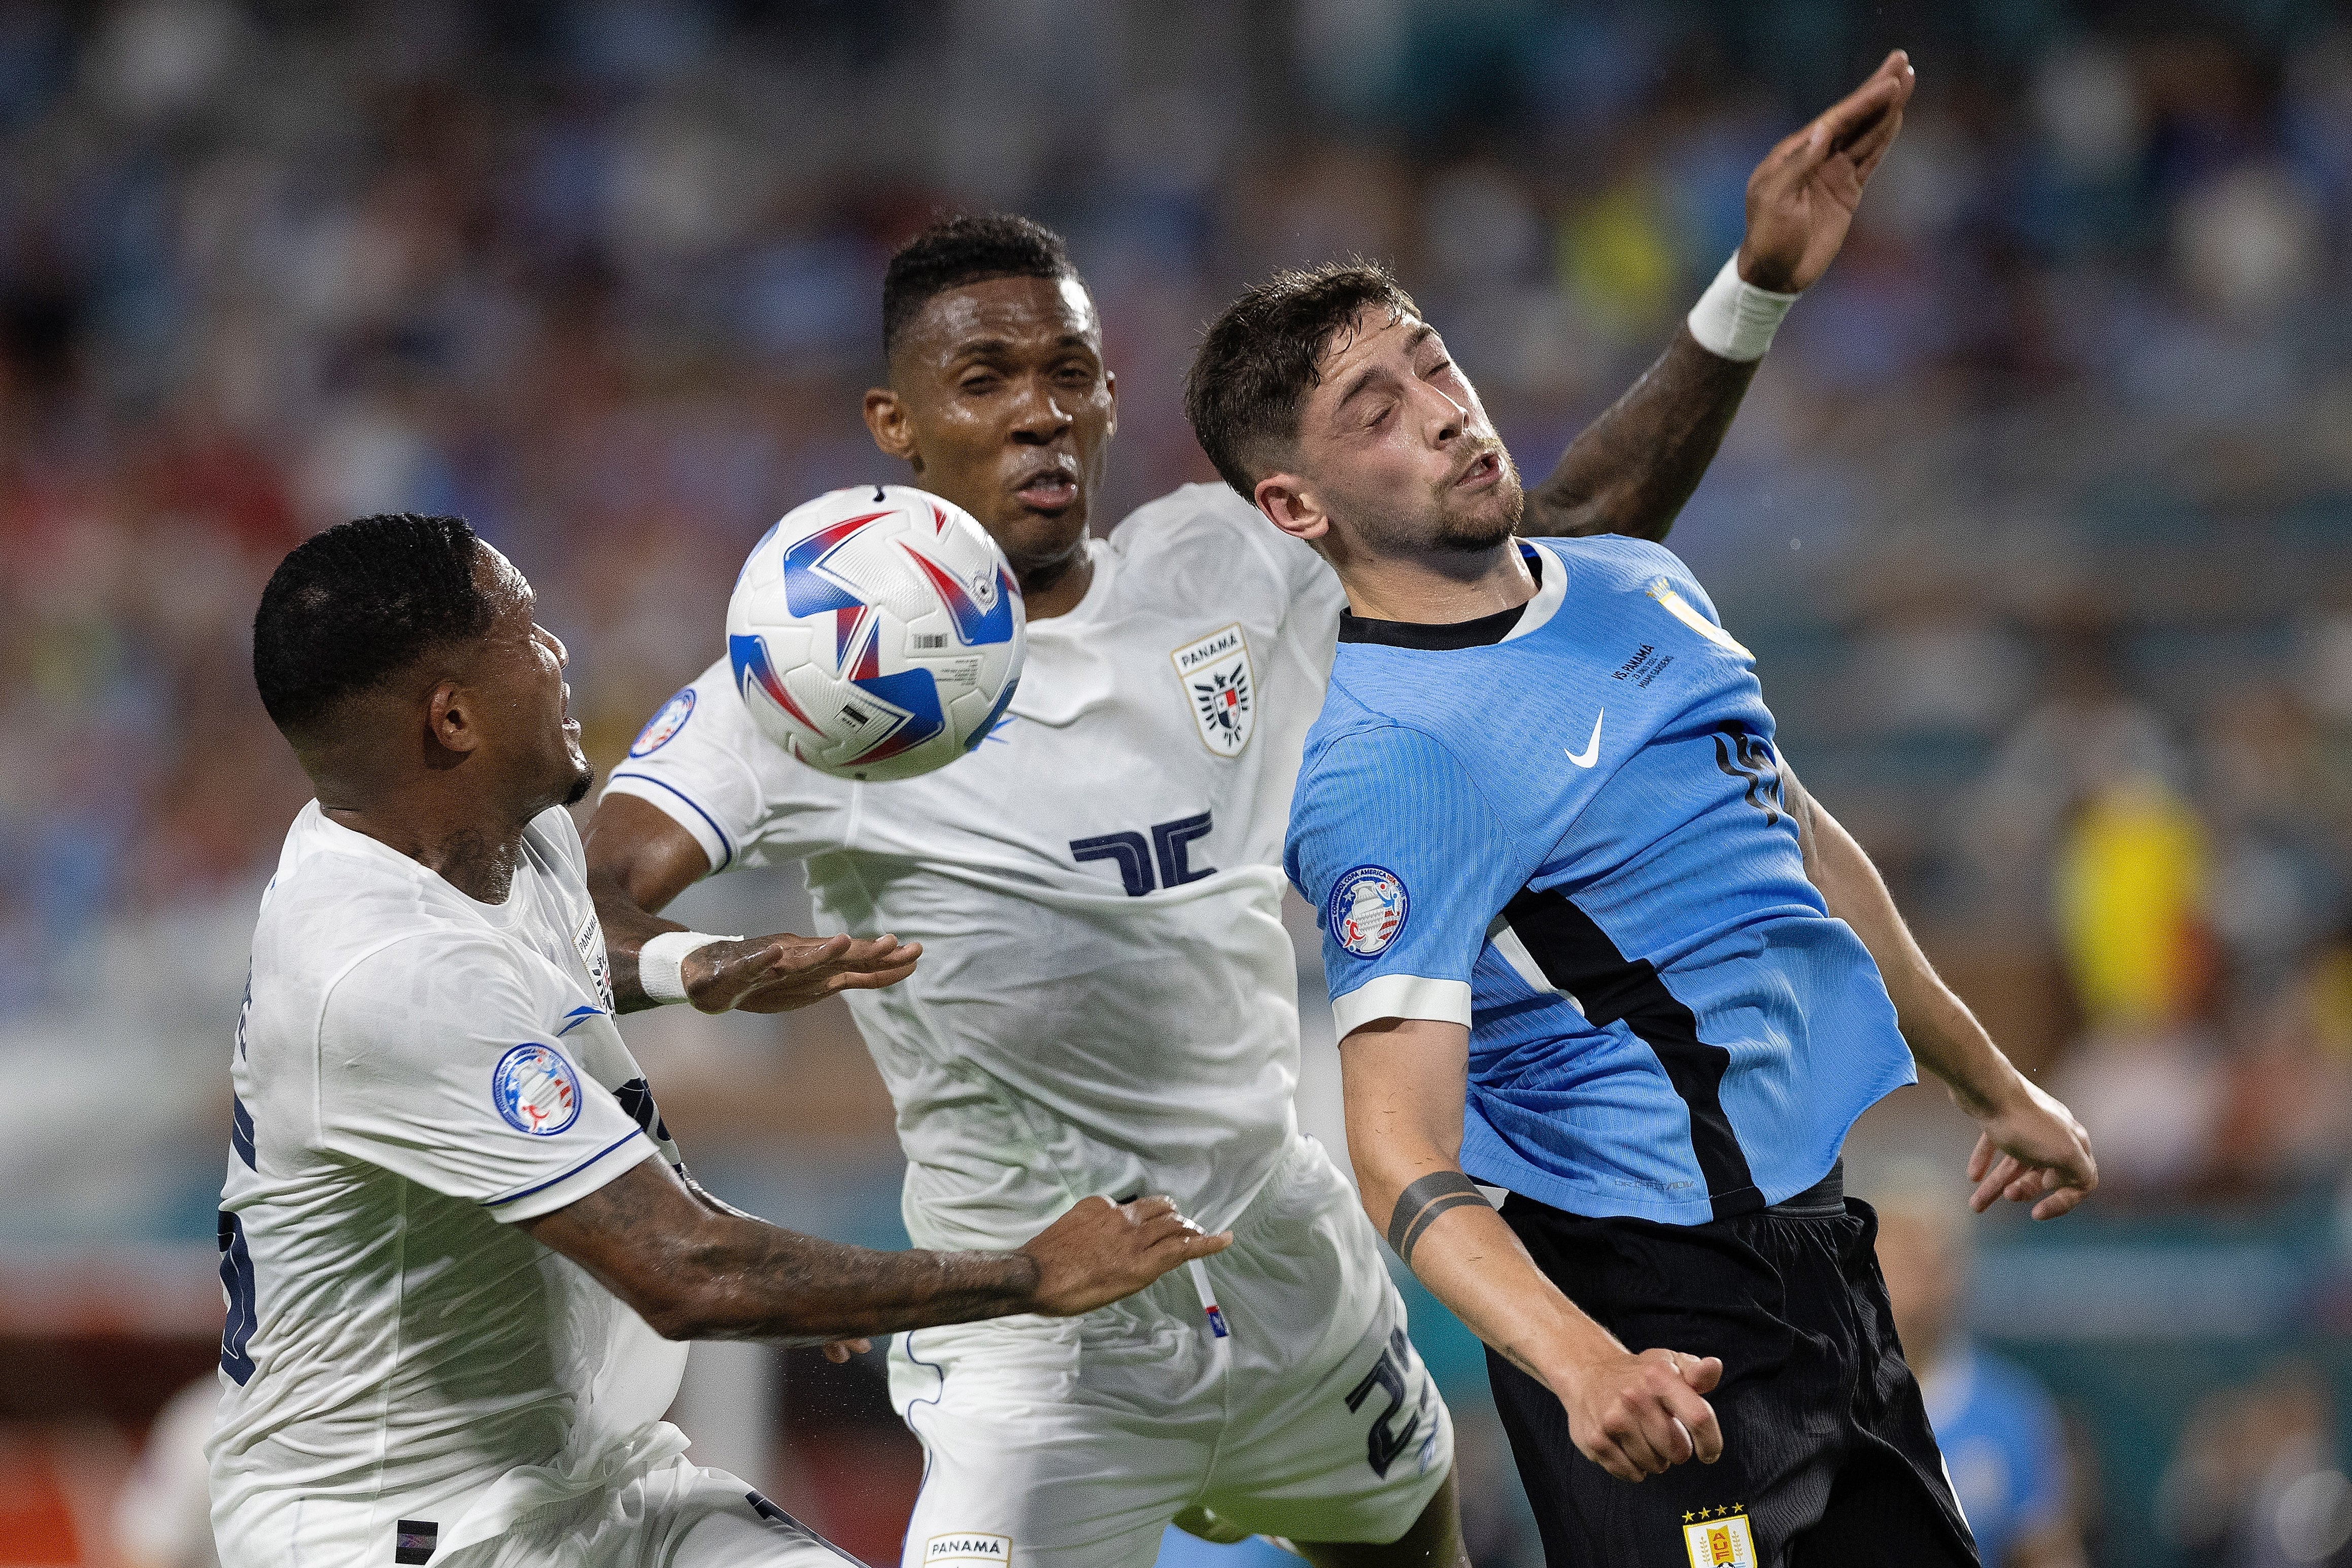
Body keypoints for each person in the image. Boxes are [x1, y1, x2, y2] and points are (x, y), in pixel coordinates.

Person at [583, 54, 1919, 1568]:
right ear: (897, 423)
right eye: (985, 382)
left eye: (1069, 373)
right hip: (1040, 1324)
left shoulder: (1217, 570)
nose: (1041, 416)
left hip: (1283, 1266)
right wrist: (703, 969)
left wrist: (1748, 291)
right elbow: (580, 903)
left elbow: (1533, 554)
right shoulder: (818, 670)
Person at [1179, 77, 2099, 1568]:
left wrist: (1993, 1081)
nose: (1445, 411)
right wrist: (1577, 1358)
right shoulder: (1383, 761)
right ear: (1296, 507)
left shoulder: (1634, 584)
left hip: (1824, 1264)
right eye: (1378, 411)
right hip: (1647, 1316)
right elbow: (1399, 1152)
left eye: (1433, 363)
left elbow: (1798, 847)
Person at [212, 513, 1223, 1568]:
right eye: (527, 633)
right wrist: (1024, 1276)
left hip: (602, 1481)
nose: (560, 655)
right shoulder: (379, 972)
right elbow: (686, 1274)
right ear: (455, 719)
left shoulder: (480, 832)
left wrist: (694, 967)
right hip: (407, 1538)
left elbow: (533, 958)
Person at [1871, 1169, 2088, 1568]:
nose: (1907, 1282)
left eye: (1922, 1260)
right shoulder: (1818, 1401)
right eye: (1892, 1260)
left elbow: (2045, 1551)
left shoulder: (2012, 1410)